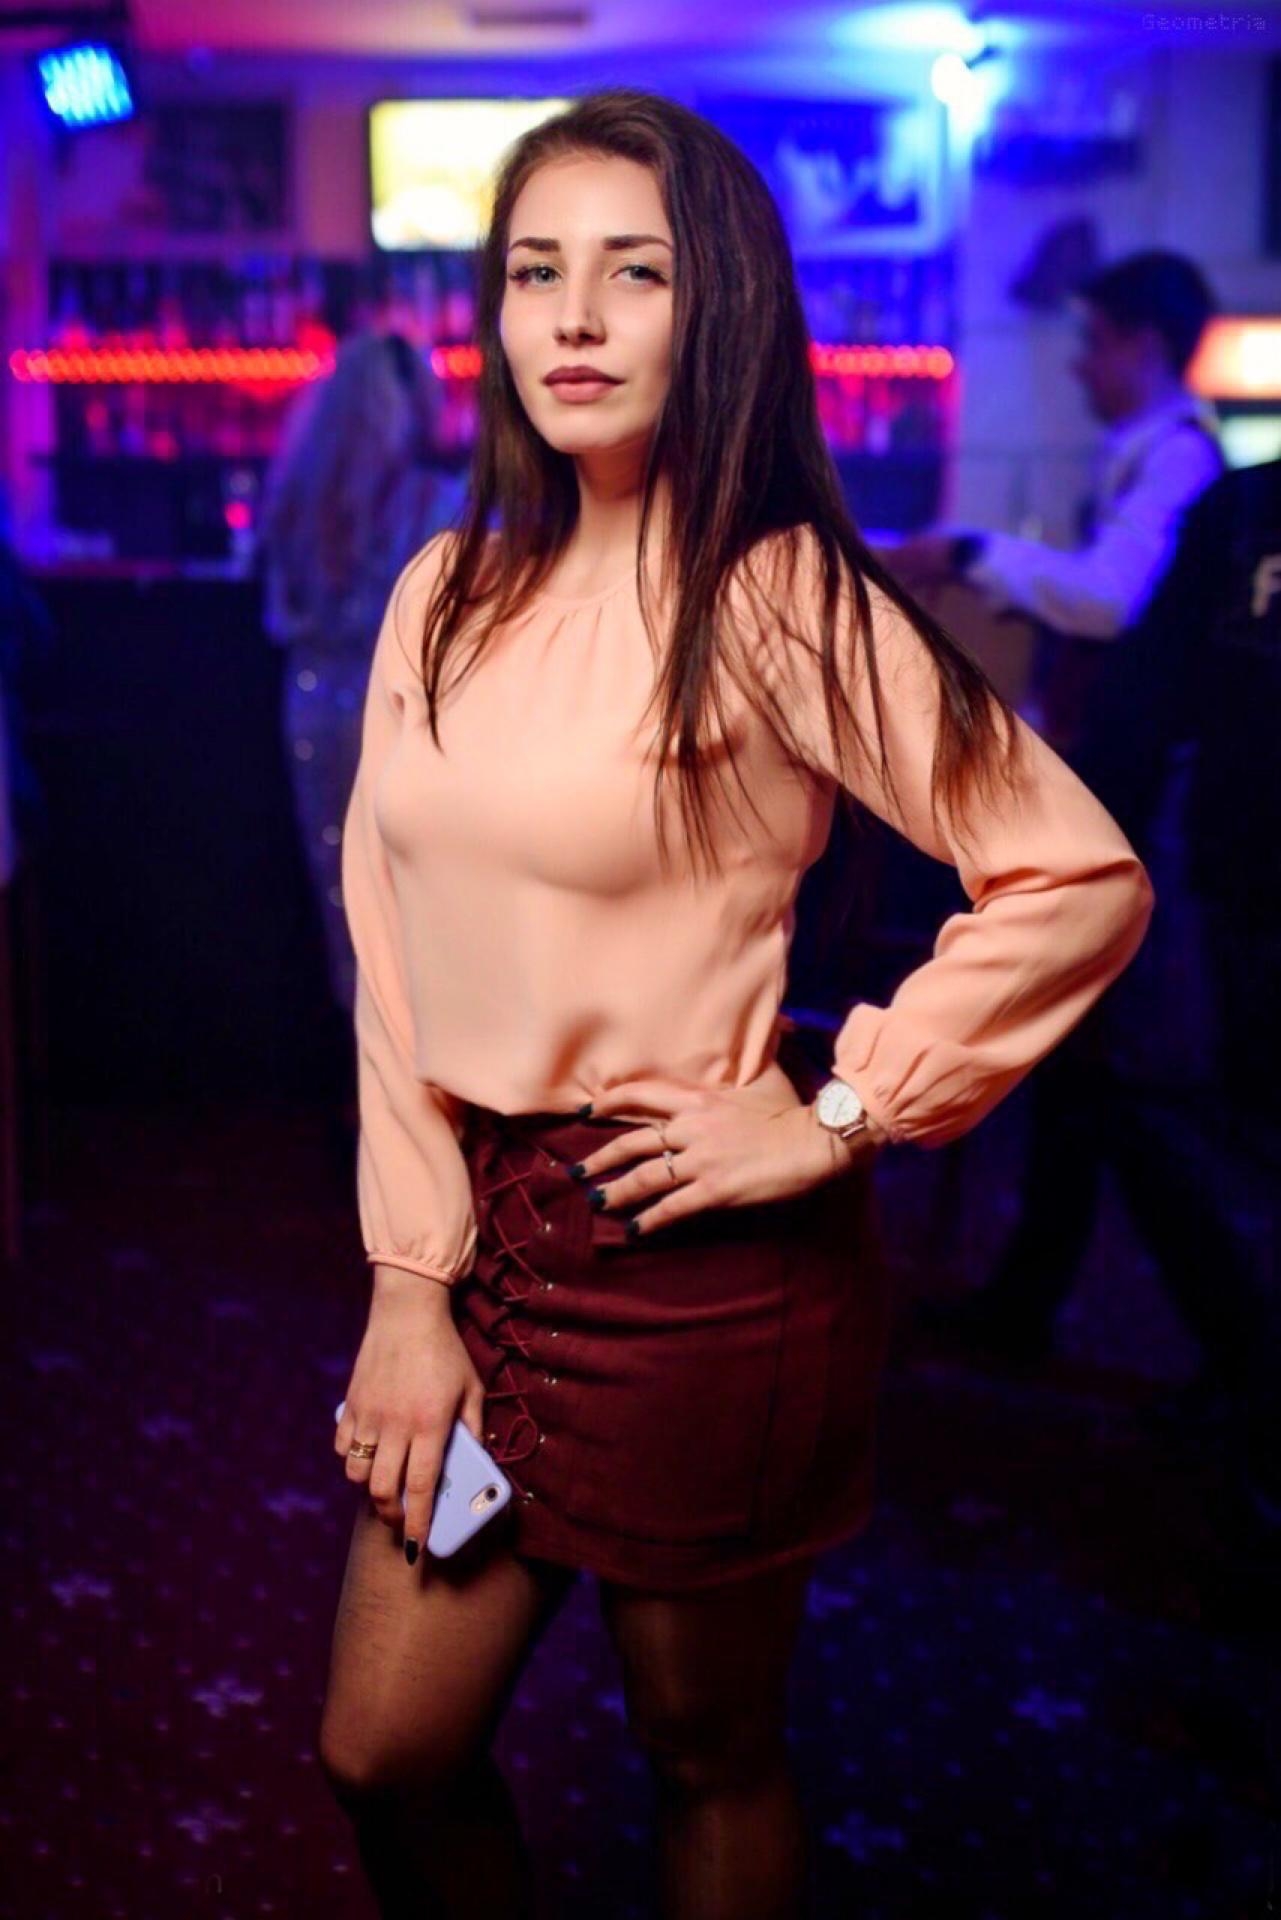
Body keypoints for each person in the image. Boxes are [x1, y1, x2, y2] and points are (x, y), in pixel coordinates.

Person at [316, 88, 1155, 1920]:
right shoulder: (442, 591)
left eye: (634, 272)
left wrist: (840, 1111)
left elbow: (1077, 876)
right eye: (534, 271)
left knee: (707, 1753)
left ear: (722, 310)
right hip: (483, 1240)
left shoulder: (776, 595)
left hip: (696, 1260)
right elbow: (391, 948)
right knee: (385, 1750)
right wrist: (409, 1280)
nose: (575, 318)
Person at [897, 247, 1223, 758]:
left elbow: (1108, 601)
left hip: (1135, 756)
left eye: (1095, 342)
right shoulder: (1148, 453)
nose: (1079, 366)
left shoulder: (1179, 459)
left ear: (1145, 347)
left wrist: (967, 555)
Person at [257, 325, 461, 1014]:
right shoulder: (438, 502)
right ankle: (412, 1068)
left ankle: (362, 1060)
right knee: (415, 908)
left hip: (310, 702)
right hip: (404, 709)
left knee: (342, 900)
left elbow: (277, 614)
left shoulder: (297, 496)